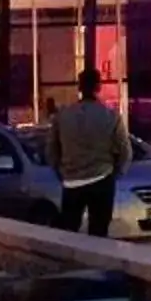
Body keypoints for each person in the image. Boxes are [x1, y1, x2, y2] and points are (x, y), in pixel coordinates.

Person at [50, 67, 133, 237]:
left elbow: (51, 150)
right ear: (98, 87)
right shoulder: (110, 116)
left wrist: (61, 171)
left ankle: (71, 262)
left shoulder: (63, 116)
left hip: (72, 181)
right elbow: (125, 151)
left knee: (69, 231)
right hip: (102, 178)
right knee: (99, 230)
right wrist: (116, 173)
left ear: (79, 87)